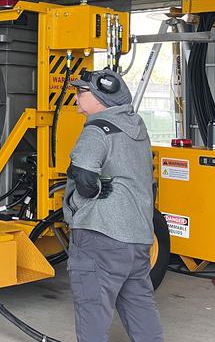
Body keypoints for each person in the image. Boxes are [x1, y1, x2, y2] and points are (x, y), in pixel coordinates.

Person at [63, 68, 163, 342]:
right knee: (140, 307)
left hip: (101, 236)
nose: (76, 96)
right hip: (138, 237)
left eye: (81, 92)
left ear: (98, 98)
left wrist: (90, 191)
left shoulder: (97, 128)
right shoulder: (136, 126)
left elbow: (84, 175)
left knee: (93, 311)